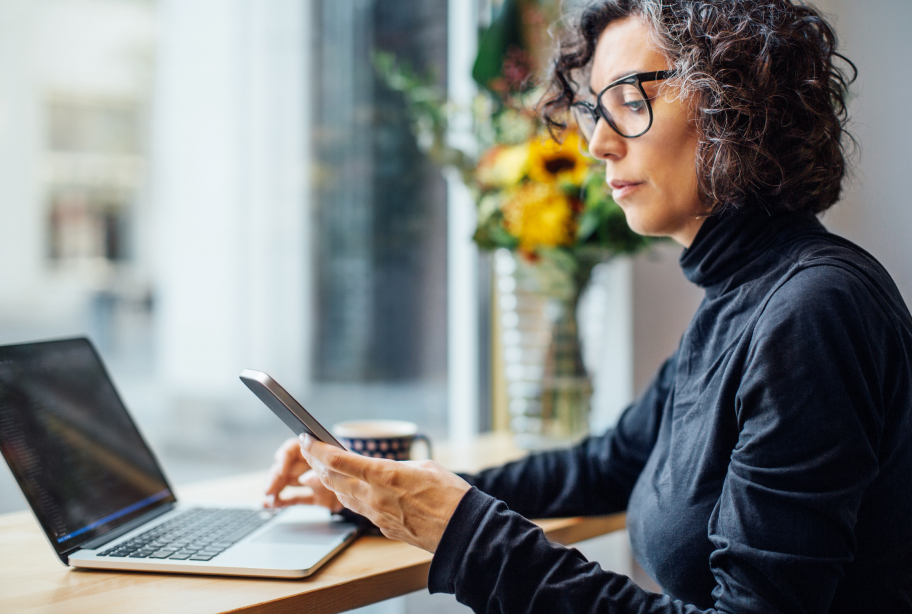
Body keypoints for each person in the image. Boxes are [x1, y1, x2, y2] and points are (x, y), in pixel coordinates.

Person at [264, 1, 912, 612]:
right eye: (592, 109)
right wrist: (387, 493)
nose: (598, 142)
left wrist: (466, 535)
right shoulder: (742, 297)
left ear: (735, 106)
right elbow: (603, 467)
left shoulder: (813, 312)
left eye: (630, 102)